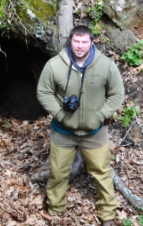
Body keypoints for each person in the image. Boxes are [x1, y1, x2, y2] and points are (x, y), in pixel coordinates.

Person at [37, 25, 125, 226]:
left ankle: (108, 215)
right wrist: (59, 114)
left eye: (84, 42)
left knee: (102, 172)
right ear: (71, 41)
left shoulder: (105, 66)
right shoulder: (55, 65)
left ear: (91, 43)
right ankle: (56, 208)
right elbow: (44, 92)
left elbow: (117, 94)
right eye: (76, 41)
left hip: (95, 132)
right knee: (58, 171)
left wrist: (101, 115)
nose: (79, 46)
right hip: (63, 132)